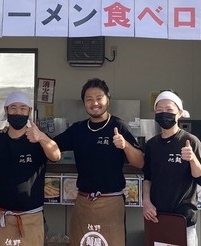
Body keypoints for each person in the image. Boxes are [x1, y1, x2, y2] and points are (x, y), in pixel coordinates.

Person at [54, 78, 144, 246]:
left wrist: (125, 145)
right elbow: (53, 146)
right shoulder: (78, 129)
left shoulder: (118, 126)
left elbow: (140, 162)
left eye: (99, 98)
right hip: (83, 202)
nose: (94, 103)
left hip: (111, 202)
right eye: (89, 99)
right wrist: (37, 137)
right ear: (84, 103)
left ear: (107, 100)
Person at [0, 91, 61, 245]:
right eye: (13, 108)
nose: (18, 112)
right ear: (6, 111)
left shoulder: (39, 141)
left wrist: (41, 137)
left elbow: (56, 155)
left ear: (29, 112)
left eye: (23, 108)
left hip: (31, 218)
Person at [142, 90, 201, 246]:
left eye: (169, 110)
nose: (164, 113)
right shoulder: (152, 145)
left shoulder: (190, 141)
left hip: (183, 218)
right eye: (159, 110)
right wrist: (146, 202)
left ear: (179, 113)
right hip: (157, 216)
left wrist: (192, 159)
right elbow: (148, 177)